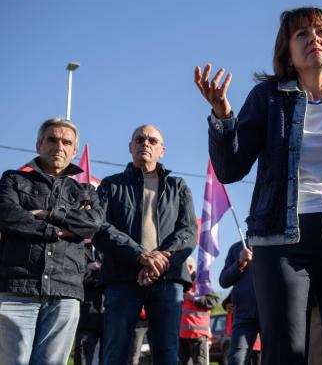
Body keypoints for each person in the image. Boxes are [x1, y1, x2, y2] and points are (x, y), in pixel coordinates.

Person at [196, 6, 322, 365]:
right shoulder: (268, 98)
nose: (313, 39)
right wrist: (223, 116)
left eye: (321, 32)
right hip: (281, 237)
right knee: (286, 350)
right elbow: (230, 169)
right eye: (302, 34)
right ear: (287, 51)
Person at [0, 117, 103, 365]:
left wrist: (45, 215)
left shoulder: (86, 191)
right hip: (17, 289)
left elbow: (92, 224)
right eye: (52, 140)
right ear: (38, 145)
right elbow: (7, 216)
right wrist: (61, 231)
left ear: (74, 150)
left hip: (66, 291)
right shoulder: (13, 179)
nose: (59, 146)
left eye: (66, 142)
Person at [93, 124, 197, 365]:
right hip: (121, 279)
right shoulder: (111, 185)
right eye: (139, 139)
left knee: (167, 354)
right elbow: (99, 228)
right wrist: (141, 256)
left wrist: (161, 259)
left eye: (152, 140)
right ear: (130, 147)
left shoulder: (178, 186)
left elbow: (189, 231)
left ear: (162, 150)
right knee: (115, 352)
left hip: (168, 280)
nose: (145, 144)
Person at [219, 240, 260, 365]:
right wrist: (239, 263)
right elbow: (224, 281)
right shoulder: (237, 248)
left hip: (271, 314)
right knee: (237, 360)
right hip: (243, 315)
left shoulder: (276, 242)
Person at [179, 257, 219, 365]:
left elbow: (214, 301)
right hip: (182, 336)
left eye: (182, 268)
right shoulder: (181, 284)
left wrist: (194, 298)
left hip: (198, 336)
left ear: (190, 267)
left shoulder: (202, 283)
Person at [74, 241, 105, 365]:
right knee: (83, 356)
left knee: (108, 356)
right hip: (86, 314)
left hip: (108, 313)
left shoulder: (107, 249)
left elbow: (114, 274)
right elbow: (76, 273)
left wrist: (96, 268)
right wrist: (88, 268)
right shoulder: (77, 248)